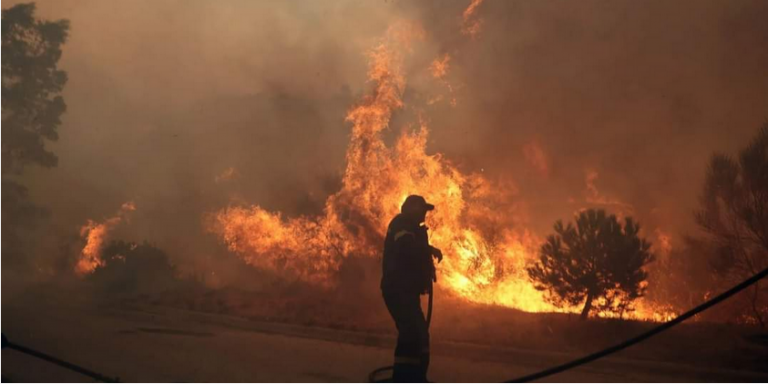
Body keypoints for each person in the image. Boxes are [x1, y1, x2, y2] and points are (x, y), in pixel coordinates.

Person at [381, 195, 443, 382]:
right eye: (422, 209)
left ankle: (417, 376)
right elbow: (405, 245)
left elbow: (415, 251)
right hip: (397, 289)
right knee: (410, 332)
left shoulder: (414, 229)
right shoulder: (401, 224)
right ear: (412, 209)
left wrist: (427, 267)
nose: (425, 214)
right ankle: (402, 378)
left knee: (420, 333)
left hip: (408, 291)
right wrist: (429, 250)